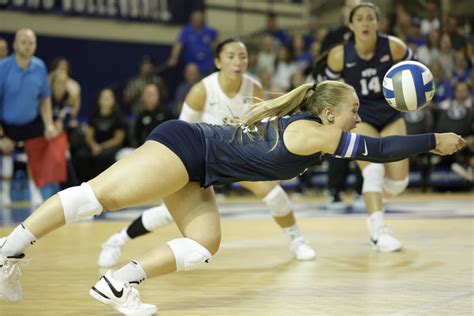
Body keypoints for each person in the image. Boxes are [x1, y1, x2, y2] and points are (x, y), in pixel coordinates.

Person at [0, 79, 464, 314]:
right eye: (354, 112)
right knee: (95, 197)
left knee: (204, 244)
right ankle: (9, 249)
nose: (357, 118)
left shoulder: (311, 128)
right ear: (329, 113)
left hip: (201, 170)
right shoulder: (314, 132)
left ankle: (118, 283)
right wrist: (432, 139)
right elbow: (379, 149)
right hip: (186, 145)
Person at [98, 38, 316, 269]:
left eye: (242, 56)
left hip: (239, 158)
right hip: (203, 160)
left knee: (275, 195)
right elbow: (180, 133)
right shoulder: (202, 90)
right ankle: (117, 240)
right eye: (231, 56)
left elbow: (260, 129)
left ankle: (297, 241)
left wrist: (272, 162)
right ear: (218, 62)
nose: (237, 61)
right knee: (168, 213)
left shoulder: (254, 87)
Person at [325, 3, 417, 252]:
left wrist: (414, 95)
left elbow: (415, 73)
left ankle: (372, 196)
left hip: (390, 114)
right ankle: (378, 232)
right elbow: (329, 91)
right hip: (359, 116)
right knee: (373, 172)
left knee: (399, 183)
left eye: (370, 18)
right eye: (360, 19)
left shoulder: (394, 47)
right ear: (351, 24)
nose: (365, 23)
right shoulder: (339, 55)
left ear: (378, 23)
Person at [0, 29, 62, 206]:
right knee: (5, 150)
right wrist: (2, 135)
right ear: (15, 45)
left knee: (35, 151)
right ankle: (4, 192)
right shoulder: (3, 68)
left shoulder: (39, 66)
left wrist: (49, 124)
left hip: (31, 122)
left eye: (31, 42)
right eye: (23, 42)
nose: (28, 46)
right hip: (7, 123)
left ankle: (35, 191)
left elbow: (45, 99)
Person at [167, 10, 218, 75]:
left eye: (200, 19)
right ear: (192, 20)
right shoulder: (186, 30)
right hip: (192, 64)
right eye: (196, 19)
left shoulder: (210, 31)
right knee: (191, 70)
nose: (198, 21)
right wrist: (174, 57)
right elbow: (179, 44)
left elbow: (216, 45)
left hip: (208, 64)